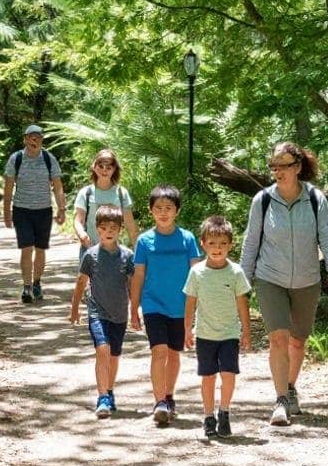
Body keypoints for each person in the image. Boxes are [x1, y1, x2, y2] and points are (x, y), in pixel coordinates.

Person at [240, 141, 328, 427]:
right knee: (278, 338)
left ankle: (290, 386)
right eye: (273, 167)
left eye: (283, 166)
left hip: (307, 280)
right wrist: (243, 280)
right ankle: (281, 399)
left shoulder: (315, 199)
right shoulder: (262, 200)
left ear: (297, 167)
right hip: (269, 277)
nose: (277, 172)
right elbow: (251, 243)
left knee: (298, 341)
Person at [129, 185, 201, 425]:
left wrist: (197, 306)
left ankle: (169, 396)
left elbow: (196, 273)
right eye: (158, 208)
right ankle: (159, 401)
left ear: (177, 211)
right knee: (158, 351)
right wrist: (134, 308)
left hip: (180, 306)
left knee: (173, 352)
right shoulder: (144, 241)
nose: (163, 212)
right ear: (150, 211)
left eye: (168, 208)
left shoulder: (188, 239)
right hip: (153, 305)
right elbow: (138, 276)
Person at [183, 215, 252, 439]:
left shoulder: (236, 272)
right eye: (212, 243)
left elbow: (243, 304)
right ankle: (208, 416)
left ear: (230, 245)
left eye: (223, 244)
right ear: (202, 243)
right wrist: (187, 330)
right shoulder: (197, 272)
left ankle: (224, 412)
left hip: (229, 334)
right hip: (205, 334)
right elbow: (190, 303)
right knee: (208, 376)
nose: (217, 248)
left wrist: (246, 332)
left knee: (229, 373)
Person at [68, 204, 137, 418]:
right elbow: (81, 283)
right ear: (97, 229)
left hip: (119, 314)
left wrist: (136, 311)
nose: (109, 231)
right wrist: (74, 310)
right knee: (103, 350)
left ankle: (109, 390)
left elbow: (133, 284)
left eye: (114, 228)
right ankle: (102, 397)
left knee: (114, 356)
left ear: (120, 230)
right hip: (97, 312)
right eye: (105, 227)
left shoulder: (127, 256)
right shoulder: (90, 256)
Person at [2, 124, 67, 304]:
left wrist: (62, 209)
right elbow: (8, 187)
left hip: (44, 211)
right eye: (31, 136)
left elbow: (58, 185)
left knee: (40, 249)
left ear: (42, 140)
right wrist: (6, 212)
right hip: (22, 210)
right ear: (25, 139)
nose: (35, 140)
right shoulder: (16, 159)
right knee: (26, 248)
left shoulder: (48, 158)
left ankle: (37, 282)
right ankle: (27, 287)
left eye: (38, 137)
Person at [72, 149, 140, 258]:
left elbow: (130, 225)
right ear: (94, 167)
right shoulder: (86, 193)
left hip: (115, 251)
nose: (104, 170)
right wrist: (81, 234)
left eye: (109, 167)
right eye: (101, 166)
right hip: (90, 248)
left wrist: (138, 252)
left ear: (114, 170)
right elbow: (78, 220)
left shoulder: (121, 193)